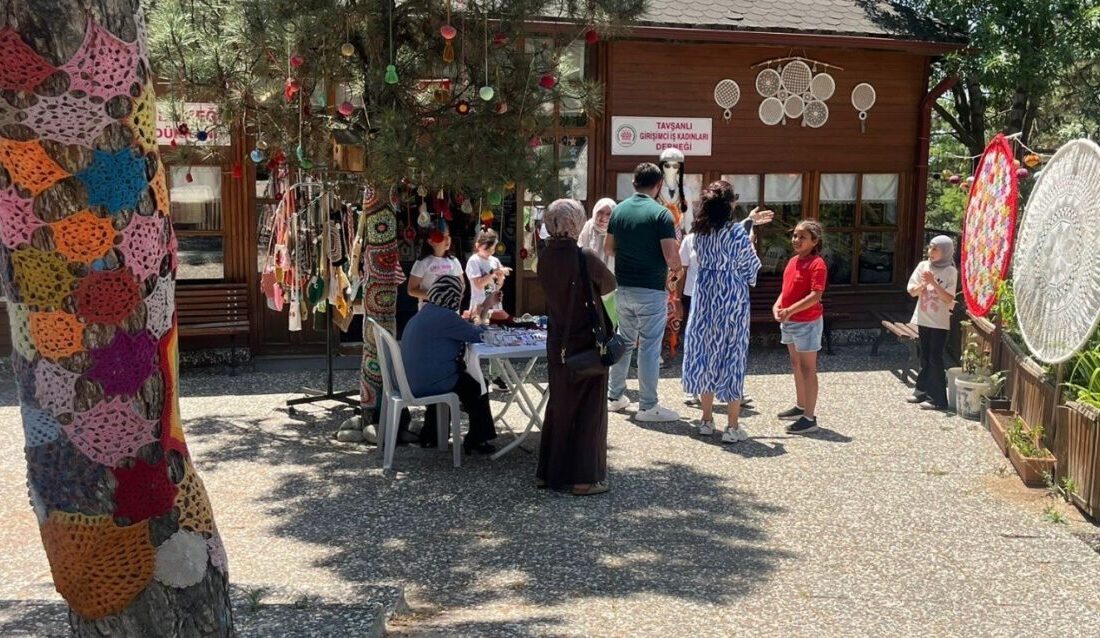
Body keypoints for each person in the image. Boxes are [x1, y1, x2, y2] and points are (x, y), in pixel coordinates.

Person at [537, 199, 617, 495]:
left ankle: (548, 473)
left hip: (557, 339)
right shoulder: (584, 256)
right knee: (588, 409)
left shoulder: (543, 257)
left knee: (559, 406)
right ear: (576, 222)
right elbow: (609, 284)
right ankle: (583, 479)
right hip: (585, 341)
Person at [681, 181, 764, 443]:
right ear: (729, 205)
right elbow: (751, 270)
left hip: (705, 296)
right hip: (732, 300)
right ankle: (732, 426)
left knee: (705, 353)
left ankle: (706, 420)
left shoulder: (699, 232)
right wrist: (749, 240)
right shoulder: (737, 233)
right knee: (733, 356)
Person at [604, 162, 683, 422]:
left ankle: (615, 396)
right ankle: (648, 406)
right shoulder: (661, 214)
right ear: (659, 185)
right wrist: (677, 270)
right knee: (649, 347)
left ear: (634, 182)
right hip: (650, 288)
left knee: (624, 341)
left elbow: (608, 249)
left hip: (623, 287)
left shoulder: (619, 211)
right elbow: (671, 256)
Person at [399, 276, 497, 455]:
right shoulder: (446, 317)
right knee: (477, 386)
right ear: (454, 297)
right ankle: (478, 438)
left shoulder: (426, 311)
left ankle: (432, 434)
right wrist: (482, 312)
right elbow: (478, 335)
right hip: (431, 383)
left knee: (456, 377)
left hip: (412, 380)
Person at [773, 220, 828, 435]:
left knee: (808, 368)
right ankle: (800, 405)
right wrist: (778, 305)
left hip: (807, 322)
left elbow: (815, 296)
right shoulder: (793, 261)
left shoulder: (817, 264)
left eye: (802, 237)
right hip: (790, 321)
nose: (796, 240)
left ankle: (809, 417)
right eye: (795, 235)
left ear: (814, 241)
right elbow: (786, 289)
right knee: (796, 364)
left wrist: (790, 310)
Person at [906, 235, 958, 410]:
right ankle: (921, 391)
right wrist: (923, 285)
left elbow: (948, 297)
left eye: (935, 249)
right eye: (930, 248)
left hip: (940, 322)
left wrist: (933, 283)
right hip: (923, 318)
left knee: (935, 358)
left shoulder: (950, 271)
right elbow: (912, 291)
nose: (931, 252)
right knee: (924, 356)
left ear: (945, 251)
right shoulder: (923, 266)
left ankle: (938, 400)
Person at [407, 224, 463, 308]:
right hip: (429, 309)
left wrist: (452, 298)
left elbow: (462, 285)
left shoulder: (454, 261)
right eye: (442, 236)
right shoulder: (422, 263)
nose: (447, 239)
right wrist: (437, 296)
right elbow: (411, 290)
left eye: (448, 235)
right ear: (430, 241)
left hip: (451, 310)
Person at [465, 228, 511, 316]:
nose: (490, 252)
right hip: (479, 305)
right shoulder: (474, 261)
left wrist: (501, 277)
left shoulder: (495, 260)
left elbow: (498, 286)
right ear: (478, 245)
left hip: (495, 304)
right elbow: (478, 284)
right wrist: (493, 273)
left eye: (493, 249)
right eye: (487, 249)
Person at [577, 197, 616, 270]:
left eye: (608, 214)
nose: (603, 217)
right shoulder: (588, 226)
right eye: (600, 212)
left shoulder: (617, 229)